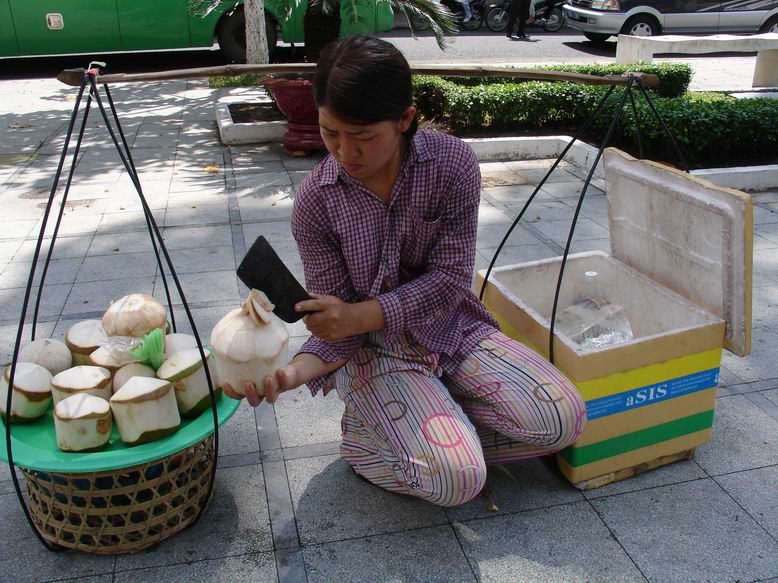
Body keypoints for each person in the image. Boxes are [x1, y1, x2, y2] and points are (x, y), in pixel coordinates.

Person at [223, 35, 587, 508]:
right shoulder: (317, 203)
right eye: (331, 133)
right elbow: (340, 328)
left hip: (454, 328)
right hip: (377, 355)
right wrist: (288, 375)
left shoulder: (452, 163)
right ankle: (366, 445)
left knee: (563, 420)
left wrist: (361, 313)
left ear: (405, 120)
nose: (344, 152)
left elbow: (452, 280)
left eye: (363, 137)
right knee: (457, 482)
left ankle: (439, 436)